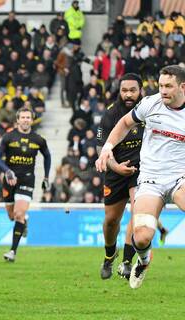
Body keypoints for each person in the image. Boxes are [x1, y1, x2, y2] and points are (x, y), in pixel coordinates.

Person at [96, 65, 185, 289]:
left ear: (182, 87)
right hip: (150, 178)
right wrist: (107, 147)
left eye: (168, 86)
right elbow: (125, 123)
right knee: (142, 236)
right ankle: (143, 262)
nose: (162, 90)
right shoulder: (150, 104)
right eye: (160, 85)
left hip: (179, 178)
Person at [97, 73, 143, 280]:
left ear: (140, 90)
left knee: (137, 212)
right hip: (115, 172)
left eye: (133, 90)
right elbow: (102, 150)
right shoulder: (110, 114)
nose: (128, 94)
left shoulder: (150, 111)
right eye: (124, 90)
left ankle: (126, 262)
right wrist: (116, 167)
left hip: (141, 171)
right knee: (111, 220)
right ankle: (109, 256)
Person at [0, 106, 51, 262]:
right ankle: (24, 221)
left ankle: (12, 251)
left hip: (27, 179)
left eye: (28, 117)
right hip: (9, 179)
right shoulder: (8, 137)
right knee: (12, 216)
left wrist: (46, 177)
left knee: (19, 214)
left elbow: (47, 156)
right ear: (17, 120)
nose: (25, 120)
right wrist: (7, 171)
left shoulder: (38, 139)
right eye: (23, 117)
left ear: (32, 120)